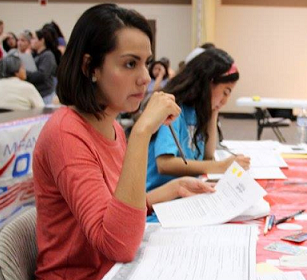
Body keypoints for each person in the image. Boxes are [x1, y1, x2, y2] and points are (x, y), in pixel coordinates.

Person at [33, 4, 215, 280]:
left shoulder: (113, 127)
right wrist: (142, 133)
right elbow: (118, 244)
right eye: (130, 64)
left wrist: (174, 188)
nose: (145, 78)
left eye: (146, 63)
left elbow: (116, 209)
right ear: (89, 67)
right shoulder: (65, 133)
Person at [145, 48, 250, 195]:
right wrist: (220, 166)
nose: (225, 101)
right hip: (157, 198)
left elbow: (207, 156)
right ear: (208, 83)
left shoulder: (198, 110)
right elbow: (164, 164)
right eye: (225, 92)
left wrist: (214, 112)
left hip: (184, 193)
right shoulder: (174, 107)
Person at [27, 27, 58, 104]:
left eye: (34, 38)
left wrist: (25, 74)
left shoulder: (48, 55)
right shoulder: (34, 55)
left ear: (42, 40)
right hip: (37, 94)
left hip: (45, 95)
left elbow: (42, 75)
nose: (31, 41)